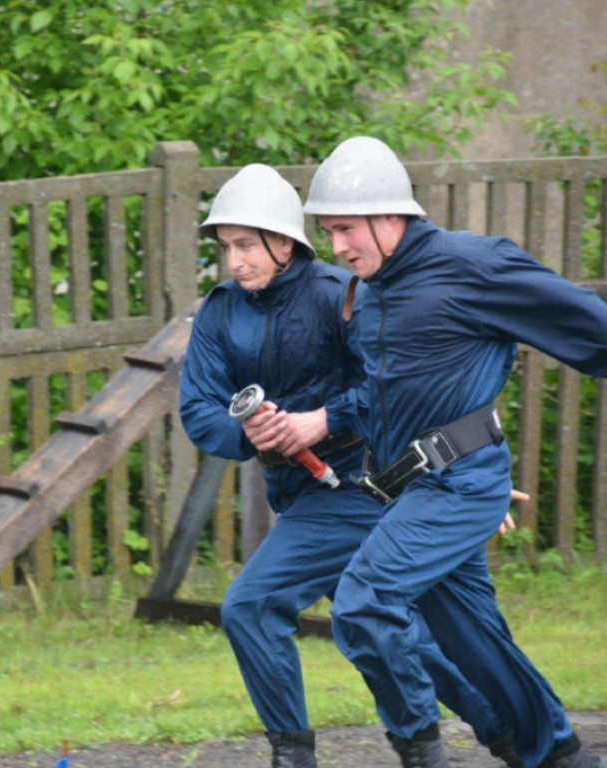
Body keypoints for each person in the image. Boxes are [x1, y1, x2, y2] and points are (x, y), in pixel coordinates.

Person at [302, 135, 607, 768]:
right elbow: (386, 397)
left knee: (363, 604)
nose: (336, 247)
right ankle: (558, 755)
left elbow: (576, 313)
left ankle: (419, 744)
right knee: (478, 645)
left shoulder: (473, 264)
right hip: (417, 493)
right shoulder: (369, 293)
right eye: (328, 232)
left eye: (344, 229)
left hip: (456, 484)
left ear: (392, 216)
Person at [179, 163, 525, 768]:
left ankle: (305, 755)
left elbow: (394, 391)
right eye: (225, 247)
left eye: (244, 245)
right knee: (397, 632)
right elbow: (197, 411)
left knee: (252, 606)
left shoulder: (344, 297)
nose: (233, 261)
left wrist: (324, 421)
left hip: (363, 487)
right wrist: (247, 431)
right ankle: (507, 736)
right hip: (300, 495)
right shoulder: (217, 314)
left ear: (284, 243)